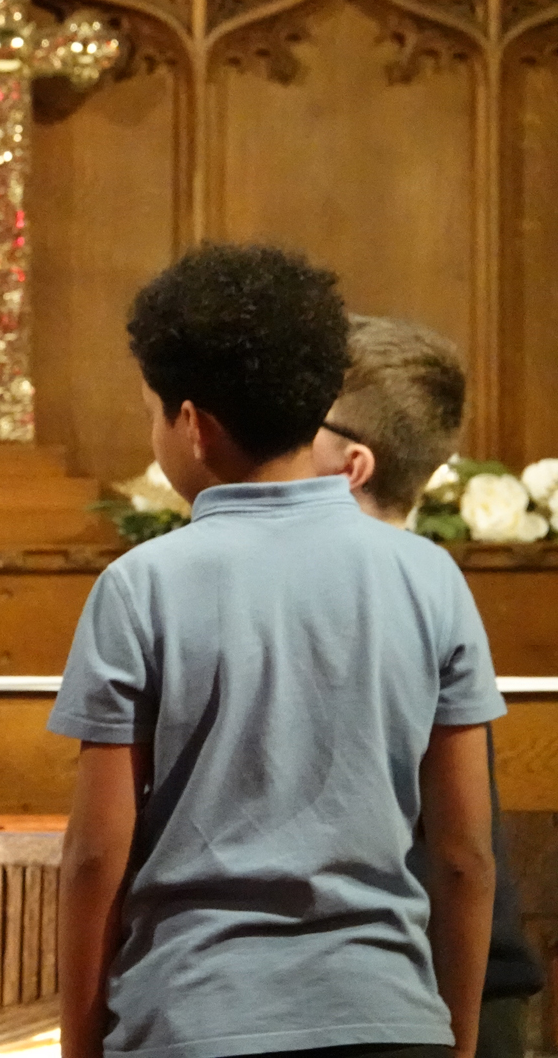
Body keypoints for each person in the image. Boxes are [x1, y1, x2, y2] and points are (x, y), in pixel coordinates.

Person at [49, 243, 503, 1058]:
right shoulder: (429, 578)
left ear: (193, 424)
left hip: (195, 1018)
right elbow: (465, 852)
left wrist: (82, 1046)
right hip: (388, 1017)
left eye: (154, 409)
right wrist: (454, 1038)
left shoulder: (141, 585)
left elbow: (93, 855)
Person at [312, 314, 544, 1058]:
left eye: (296, 421)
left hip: (427, 991)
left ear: (353, 463)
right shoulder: (430, 583)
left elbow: (461, 852)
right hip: (438, 987)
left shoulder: (392, 588)